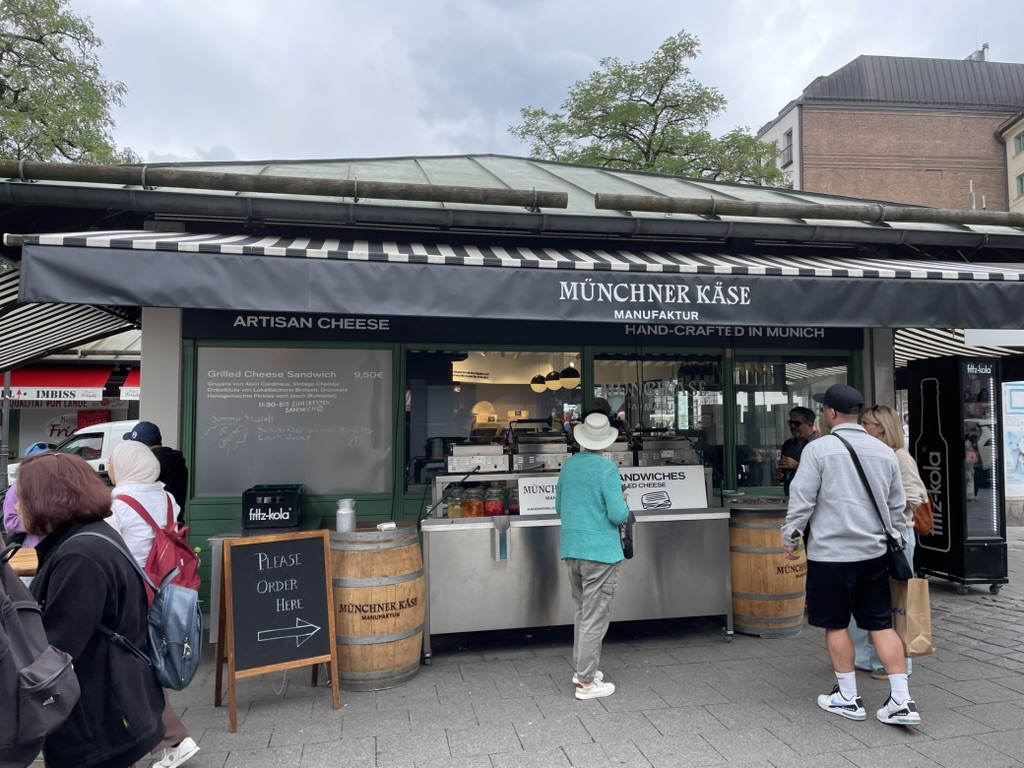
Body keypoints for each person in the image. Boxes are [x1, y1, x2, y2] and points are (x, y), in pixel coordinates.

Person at [782, 384, 921, 727]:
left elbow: (803, 500)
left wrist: (791, 536)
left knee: (836, 624)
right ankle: (901, 700)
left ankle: (847, 697)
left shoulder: (819, 450)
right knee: (881, 623)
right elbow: (894, 506)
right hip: (873, 554)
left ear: (830, 414)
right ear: (857, 414)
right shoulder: (884, 451)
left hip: (831, 554)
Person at [16, 452, 165, 767]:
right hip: (117, 708)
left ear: (47, 499)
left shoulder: (80, 556)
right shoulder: (92, 536)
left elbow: (56, 648)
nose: (17, 508)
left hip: (96, 724)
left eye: (22, 498)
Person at [107, 440, 200, 768]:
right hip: (166, 590)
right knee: (151, 660)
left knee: (130, 665)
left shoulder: (118, 503)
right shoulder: (168, 498)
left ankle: (166, 738)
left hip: (132, 593)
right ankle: (165, 739)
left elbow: (108, 548)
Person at [555, 412, 630, 700]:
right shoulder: (606, 469)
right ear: (606, 442)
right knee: (595, 617)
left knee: (582, 612)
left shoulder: (569, 466)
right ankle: (586, 682)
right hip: (600, 553)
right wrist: (623, 501)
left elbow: (560, 508)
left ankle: (583, 669)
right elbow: (617, 515)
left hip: (572, 548)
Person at [850, 404, 928, 680]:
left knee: (897, 601)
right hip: (881, 536)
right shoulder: (879, 454)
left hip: (899, 537)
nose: (863, 427)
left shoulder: (900, 457)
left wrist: (887, 507)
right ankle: (868, 658)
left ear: (881, 428)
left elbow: (916, 496)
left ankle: (897, 664)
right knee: (874, 598)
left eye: (867, 423)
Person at [124, 421, 189, 519]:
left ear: (140, 445)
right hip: (175, 524)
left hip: (157, 527)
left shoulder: (151, 464)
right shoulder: (176, 461)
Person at [2, 442, 53, 547]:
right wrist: (41, 523)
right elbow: (10, 522)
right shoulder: (17, 488)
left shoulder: (58, 484)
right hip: (34, 548)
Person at [775, 406, 817, 495]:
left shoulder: (820, 445)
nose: (792, 426)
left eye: (797, 423)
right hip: (789, 496)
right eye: (790, 423)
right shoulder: (788, 444)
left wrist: (797, 466)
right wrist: (780, 474)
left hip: (811, 498)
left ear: (810, 424)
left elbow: (824, 473)